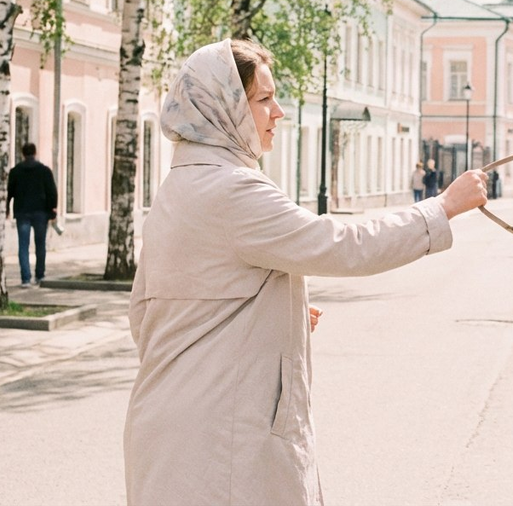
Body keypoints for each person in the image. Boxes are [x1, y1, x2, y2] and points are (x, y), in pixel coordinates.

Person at [123, 39, 488, 505]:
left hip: (171, 429)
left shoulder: (178, 188)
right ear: (224, 108)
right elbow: (342, 245)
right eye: (263, 100)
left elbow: (149, 314)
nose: (279, 112)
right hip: (222, 441)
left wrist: (279, 315)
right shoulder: (233, 190)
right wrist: (441, 208)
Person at [7, 142, 58, 288]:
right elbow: (51, 191)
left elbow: (9, 192)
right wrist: (53, 209)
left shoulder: (16, 171)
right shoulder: (44, 170)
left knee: (23, 245)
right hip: (41, 212)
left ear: (23, 154)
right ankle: (40, 275)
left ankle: (25, 278)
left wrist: (6, 208)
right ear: (35, 153)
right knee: (40, 244)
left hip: (22, 212)